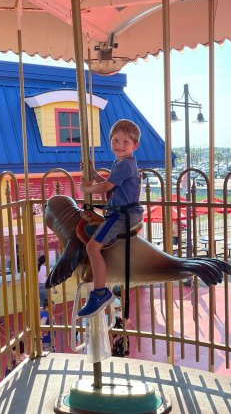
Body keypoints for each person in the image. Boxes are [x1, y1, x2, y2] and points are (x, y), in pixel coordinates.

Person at [77, 119, 144, 318]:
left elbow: (106, 187)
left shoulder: (126, 165)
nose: (120, 145)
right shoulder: (122, 163)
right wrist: (93, 172)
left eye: (125, 142)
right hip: (121, 211)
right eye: (116, 140)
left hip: (123, 215)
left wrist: (87, 188)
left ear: (135, 146)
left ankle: (100, 292)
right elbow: (110, 183)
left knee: (92, 247)